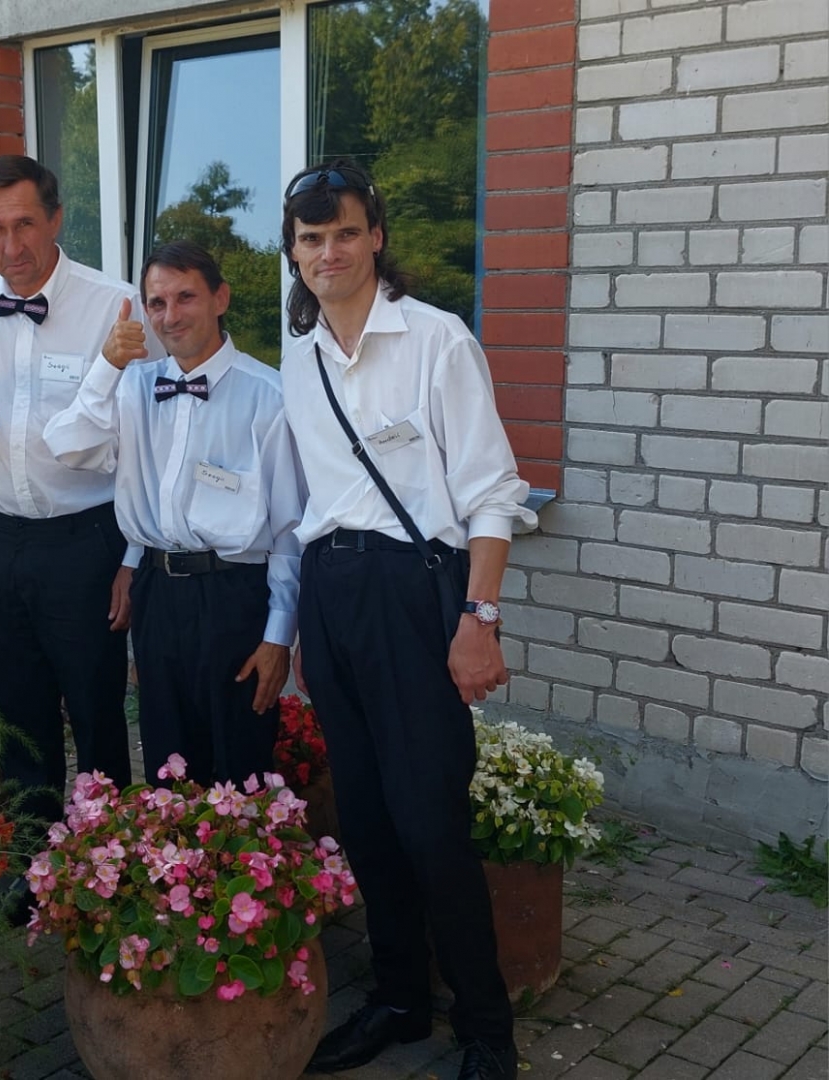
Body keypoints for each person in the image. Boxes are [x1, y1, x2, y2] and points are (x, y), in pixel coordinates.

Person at [281, 159, 534, 1080]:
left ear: (376, 237)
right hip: (332, 593)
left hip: (412, 593)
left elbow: (492, 492)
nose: (330, 252)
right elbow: (310, 502)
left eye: (345, 233)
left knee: (429, 823)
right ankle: (397, 1002)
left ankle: (485, 1029)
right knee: (366, 819)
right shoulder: (299, 357)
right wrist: (301, 625)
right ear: (293, 253)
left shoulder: (436, 340)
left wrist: (478, 617)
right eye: (311, 239)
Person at [0, 154, 163, 829]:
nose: (10, 245)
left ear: (55, 219)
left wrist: (132, 555)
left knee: (96, 708)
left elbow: (154, 436)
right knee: (15, 708)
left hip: (85, 541)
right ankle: (33, 852)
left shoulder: (114, 305)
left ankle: (104, 851)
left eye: (24, 223)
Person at [44, 240, 302, 786]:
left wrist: (279, 635)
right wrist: (107, 365)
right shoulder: (132, 386)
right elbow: (66, 445)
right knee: (168, 761)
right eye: (157, 303)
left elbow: (289, 530)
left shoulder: (269, 396)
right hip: (158, 595)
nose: (170, 315)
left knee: (242, 765)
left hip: (236, 597)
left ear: (220, 298)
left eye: (186, 297)